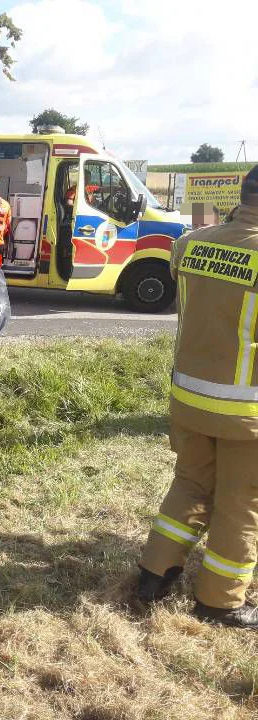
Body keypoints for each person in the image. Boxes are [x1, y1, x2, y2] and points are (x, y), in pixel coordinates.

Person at [134, 164, 258, 628]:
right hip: (245, 409)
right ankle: (221, 601)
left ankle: (154, 574)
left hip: (187, 396)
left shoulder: (189, 243)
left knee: (190, 483)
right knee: (241, 502)